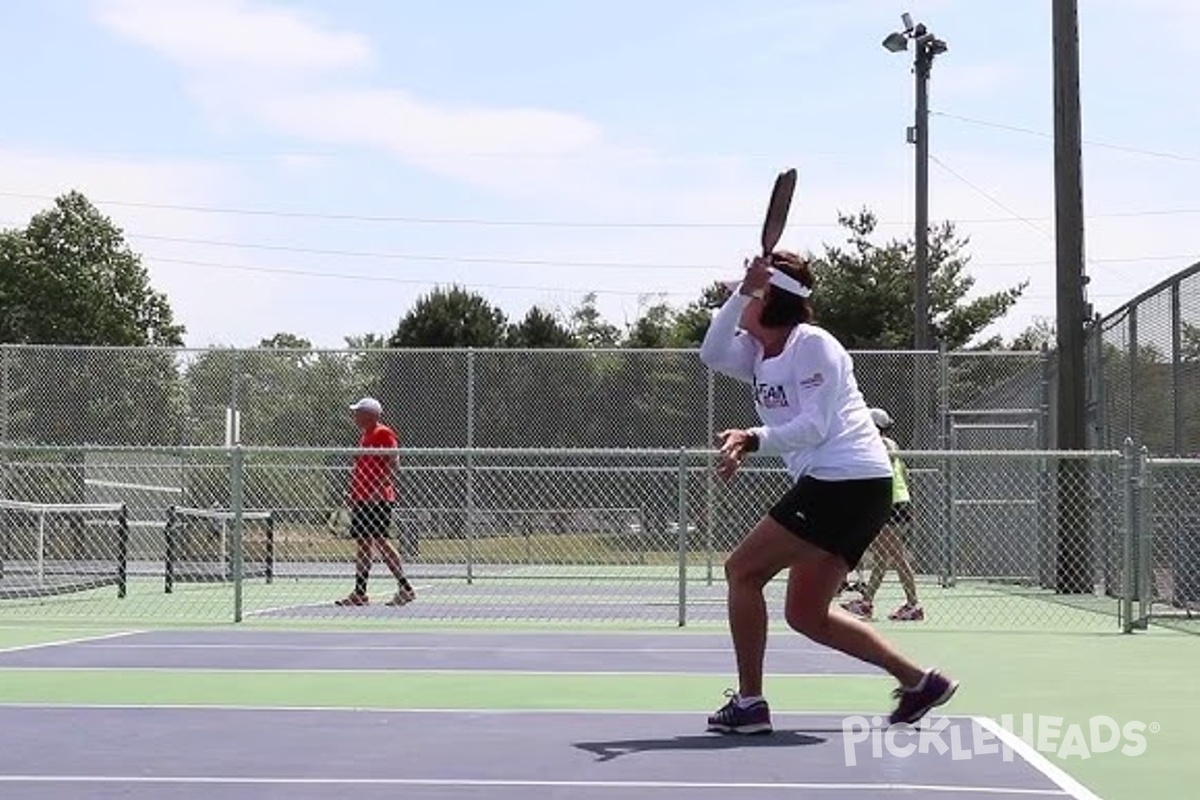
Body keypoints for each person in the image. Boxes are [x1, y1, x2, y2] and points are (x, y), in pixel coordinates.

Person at [698, 252, 957, 735]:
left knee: (741, 570)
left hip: (848, 483)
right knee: (804, 614)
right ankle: (919, 682)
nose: (735, 299)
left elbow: (814, 427)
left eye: (749, 292)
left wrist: (752, 438)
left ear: (770, 298)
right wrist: (742, 291)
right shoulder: (757, 353)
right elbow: (711, 353)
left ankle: (750, 703)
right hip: (843, 488)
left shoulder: (813, 346)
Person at [841, 407, 924, 622]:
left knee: (895, 555)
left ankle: (914, 605)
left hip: (891, 503)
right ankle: (867, 602)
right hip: (896, 502)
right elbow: (903, 474)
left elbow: (879, 475)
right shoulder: (890, 444)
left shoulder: (878, 445)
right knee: (882, 556)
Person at [335, 396, 417, 608]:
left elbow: (393, 463)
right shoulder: (364, 436)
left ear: (369, 415)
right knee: (363, 545)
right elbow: (361, 469)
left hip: (378, 500)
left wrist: (377, 491)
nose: (354, 416)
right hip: (361, 499)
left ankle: (405, 588)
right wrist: (353, 492)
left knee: (380, 541)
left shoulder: (383, 433)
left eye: (358, 412)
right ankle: (360, 593)